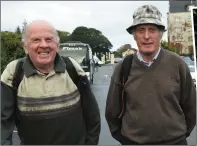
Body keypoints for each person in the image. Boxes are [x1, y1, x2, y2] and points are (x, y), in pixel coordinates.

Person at [105, 5, 196, 145]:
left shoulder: (178, 64)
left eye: (152, 30)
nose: (147, 36)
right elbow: (112, 110)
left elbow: (191, 107)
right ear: (134, 35)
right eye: (141, 30)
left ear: (160, 34)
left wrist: (179, 136)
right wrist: (125, 139)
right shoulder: (123, 67)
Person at [1, 20, 100, 145]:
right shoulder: (13, 72)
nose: (44, 45)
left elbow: (92, 114)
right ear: (25, 47)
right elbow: (3, 122)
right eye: (36, 40)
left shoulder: (72, 67)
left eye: (49, 39)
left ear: (57, 45)